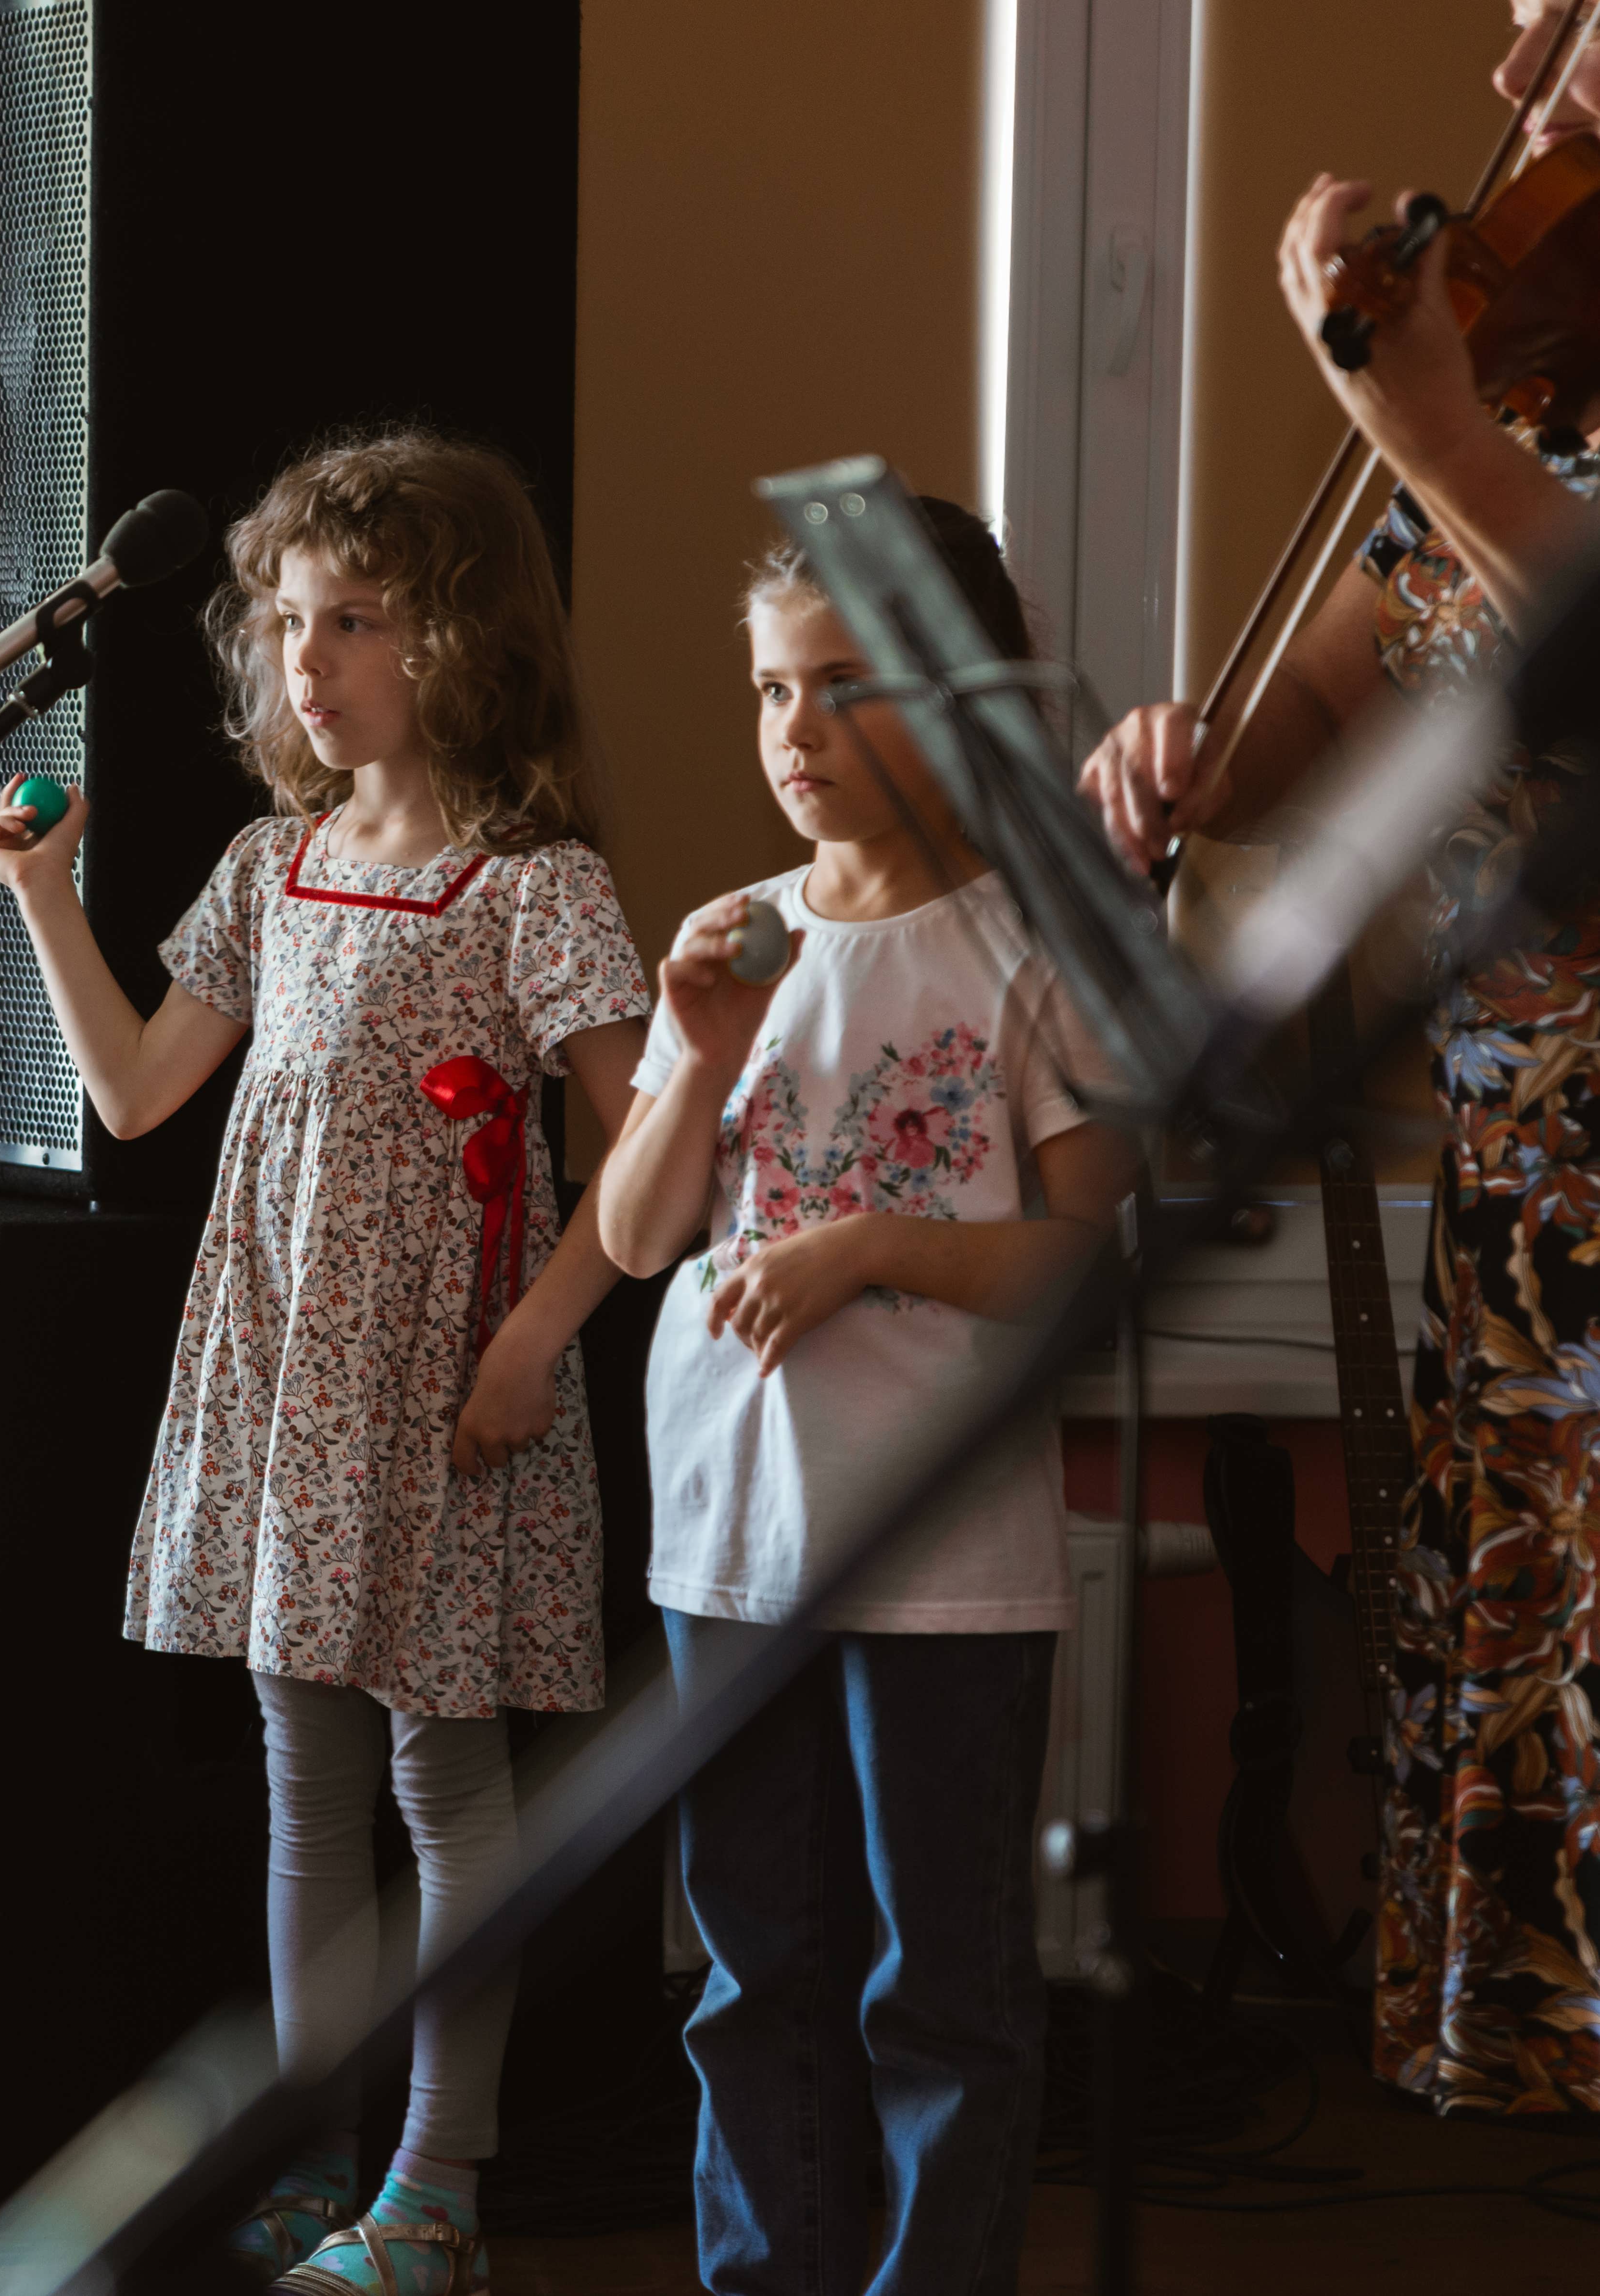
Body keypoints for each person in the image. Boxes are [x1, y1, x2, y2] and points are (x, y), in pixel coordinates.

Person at [0, 430, 648, 2296]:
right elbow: (136, 1094)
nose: (308, 660)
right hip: (288, 1389)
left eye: (354, 620)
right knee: (304, 1784)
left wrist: (529, 1346)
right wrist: (43, 901)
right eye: (287, 623)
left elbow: (650, 1156)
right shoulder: (272, 866)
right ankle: (309, 2161)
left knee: (447, 1790)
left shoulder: (532, 887)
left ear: (461, 640)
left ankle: (436, 2192)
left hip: (442, 1398)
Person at [1078, 0, 1600, 2118]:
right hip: (1528, 1184)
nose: (1513, 68)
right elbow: (1327, 696)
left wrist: (1423, 415)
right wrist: (1187, 759)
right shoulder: (1533, 363)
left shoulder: (1479, 405)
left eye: (1561, 19)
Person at [592, 505, 1133, 2294]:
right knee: (754, 1971)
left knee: (941, 1988)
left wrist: (877, 1248)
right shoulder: (731, 937)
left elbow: (1084, 1262)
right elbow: (640, 1233)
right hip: (731, 1540)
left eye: (846, 685)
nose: (795, 730)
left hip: (940, 1551)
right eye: (770, 690)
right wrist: (695, 1058)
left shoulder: (1029, 946)